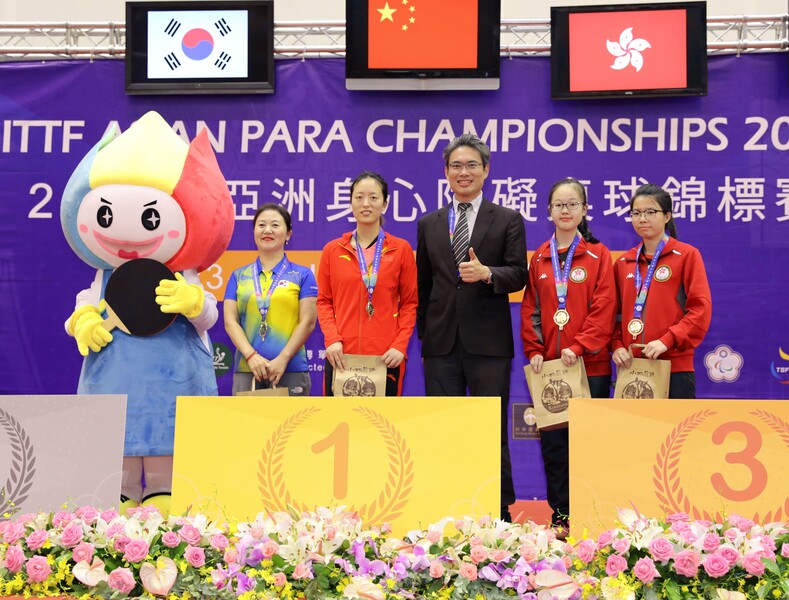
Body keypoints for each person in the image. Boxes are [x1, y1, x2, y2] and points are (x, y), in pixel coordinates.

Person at [60, 111, 234, 515]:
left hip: (170, 386)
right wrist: (82, 321)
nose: (122, 231)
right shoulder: (104, 274)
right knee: (113, 477)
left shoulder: (182, 271)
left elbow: (208, 317)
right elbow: (86, 303)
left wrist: (194, 303)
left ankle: (162, 510)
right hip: (114, 380)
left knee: (164, 480)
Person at [416, 134, 528, 521]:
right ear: (446, 173)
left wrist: (487, 273)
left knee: (489, 428)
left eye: (472, 165)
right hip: (441, 344)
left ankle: (498, 509)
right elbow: (424, 285)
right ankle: (446, 503)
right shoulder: (429, 223)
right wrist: (425, 335)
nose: (464, 173)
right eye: (456, 166)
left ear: (486, 171)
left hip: (489, 344)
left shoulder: (508, 219)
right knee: (444, 428)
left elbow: (519, 275)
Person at [520, 177, 616, 532]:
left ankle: (591, 520)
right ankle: (561, 520)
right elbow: (530, 308)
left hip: (589, 366)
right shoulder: (540, 258)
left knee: (587, 446)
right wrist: (533, 349)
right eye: (559, 205)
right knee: (555, 449)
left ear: (584, 210)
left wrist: (579, 346)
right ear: (548, 212)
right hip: (551, 370)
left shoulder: (599, 254)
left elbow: (604, 307)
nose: (565, 210)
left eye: (572, 204)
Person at [317, 170, 417, 396]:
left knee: (381, 427)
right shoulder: (332, 250)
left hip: (386, 357)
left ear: (385, 204)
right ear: (351, 203)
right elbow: (324, 301)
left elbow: (410, 304)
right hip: (341, 355)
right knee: (340, 425)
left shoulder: (400, 249)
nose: (366, 203)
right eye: (359, 197)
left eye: (373, 197)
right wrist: (332, 340)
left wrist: (400, 346)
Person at [612, 183, 712, 398]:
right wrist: (617, 346)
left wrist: (667, 340)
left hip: (674, 367)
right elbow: (614, 315)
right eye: (636, 213)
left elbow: (699, 309)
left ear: (667, 216)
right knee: (634, 432)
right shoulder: (623, 262)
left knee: (676, 432)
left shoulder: (687, 255)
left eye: (650, 212)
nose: (642, 219)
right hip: (632, 368)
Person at [224, 203, 318, 395]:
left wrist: (283, 358)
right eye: (261, 225)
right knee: (248, 426)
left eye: (275, 225)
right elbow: (230, 321)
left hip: (291, 368)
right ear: (254, 232)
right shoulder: (238, 276)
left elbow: (307, 321)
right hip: (247, 369)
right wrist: (251, 356)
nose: (267, 230)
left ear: (288, 234)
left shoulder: (302, 275)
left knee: (292, 425)